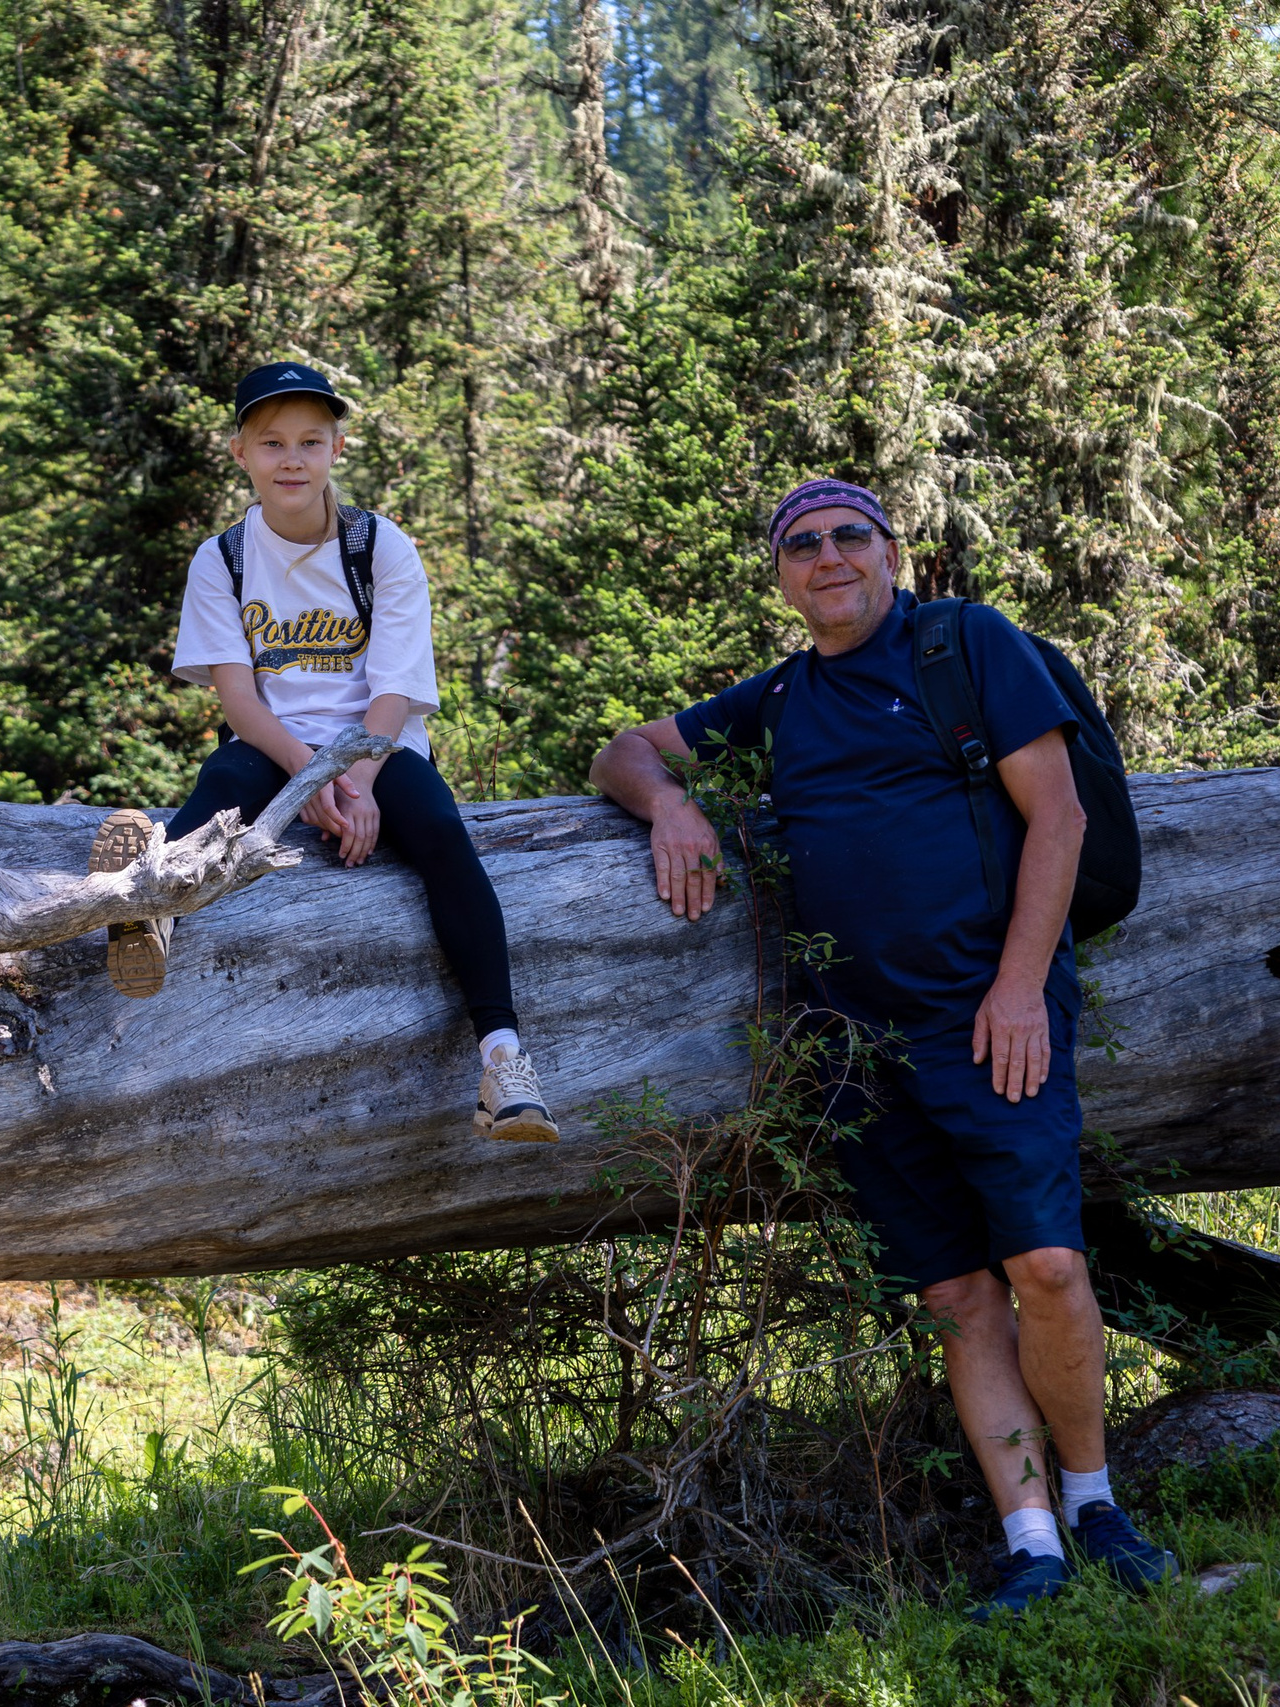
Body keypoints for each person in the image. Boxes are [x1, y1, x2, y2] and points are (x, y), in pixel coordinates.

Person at [586, 477, 1175, 1617]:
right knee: (958, 1294)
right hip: (852, 1041)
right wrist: (669, 804)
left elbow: (1058, 819)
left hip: (988, 1017)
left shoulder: (965, 646)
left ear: (891, 553)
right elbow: (626, 749)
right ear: (781, 577)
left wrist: (1015, 990)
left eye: (849, 535)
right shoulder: (779, 697)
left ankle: (1096, 1502)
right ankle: (1029, 1542)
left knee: (1046, 1265)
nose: (827, 556)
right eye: (799, 545)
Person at [88, 362, 557, 1142]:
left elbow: (396, 689)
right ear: (240, 452)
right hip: (270, 745)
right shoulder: (225, 558)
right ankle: (148, 909)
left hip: (379, 744)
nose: (292, 459)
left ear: (338, 447)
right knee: (224, 781)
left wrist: (356, 781)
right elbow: (238, 698)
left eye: (310, 440)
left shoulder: (379, 547)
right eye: (271, 443)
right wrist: (307, 777)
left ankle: (504, 1060)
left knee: (440, 833)